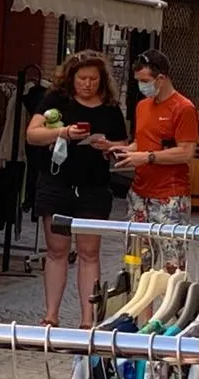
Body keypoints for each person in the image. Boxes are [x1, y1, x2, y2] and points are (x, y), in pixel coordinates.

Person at [25, 51, 128, 328]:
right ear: (71, 78)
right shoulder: (56, 101)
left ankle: (87, 319)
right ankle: (51, 315)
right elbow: (33, 134)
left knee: (89, 251)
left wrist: (110, 148)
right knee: (56, 250)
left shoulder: (110, 108)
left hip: (94, 187)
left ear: (102, 80)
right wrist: (64, 133)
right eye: (82, 78)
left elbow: (124, 146)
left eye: (93, 79)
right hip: (57, 183)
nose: (87, 84)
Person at [114, 50, 198, 271]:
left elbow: (186, 152)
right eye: (139, 81)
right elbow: (143, 142)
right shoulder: (143, 106)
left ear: (161, 79)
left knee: (173, 265)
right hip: (139, 193)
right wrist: (123, 150)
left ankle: (171, 305)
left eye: (145, 81)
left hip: (170, 194)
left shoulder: (183, 108)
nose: (142, 86)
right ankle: (139, 306)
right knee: (136, 260)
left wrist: (147, 157)